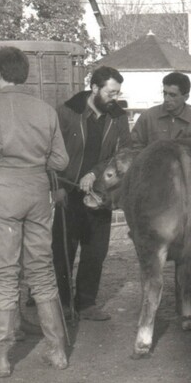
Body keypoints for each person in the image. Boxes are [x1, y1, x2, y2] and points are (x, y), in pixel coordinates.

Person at [0, 47, 70, 377]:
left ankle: (0, 359)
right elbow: (60, 161)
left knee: (3, 272)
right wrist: (35, 162)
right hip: (37, 191)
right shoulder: (44, 108)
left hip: (3, 191)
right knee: (42, 269)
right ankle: (57, 351)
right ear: (25, 73)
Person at [52, 66, 129, 322]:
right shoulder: (66, 112)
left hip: (100, 193)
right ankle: (63, 304)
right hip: (68, 191)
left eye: (117, 93)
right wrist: (58, 188)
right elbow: (51, 152)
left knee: (96, 251)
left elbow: (121, 154)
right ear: (95, 88)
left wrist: (95, 174)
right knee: (63, 250)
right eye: (110, 92)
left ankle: (86, 303)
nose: (114, 98)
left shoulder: (118, 117)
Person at [129, 72, 191, 148]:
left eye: (172, 95)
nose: (166, 99)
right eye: (165, 93)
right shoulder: (148, 117)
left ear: (185, 97)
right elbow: (134, 148)